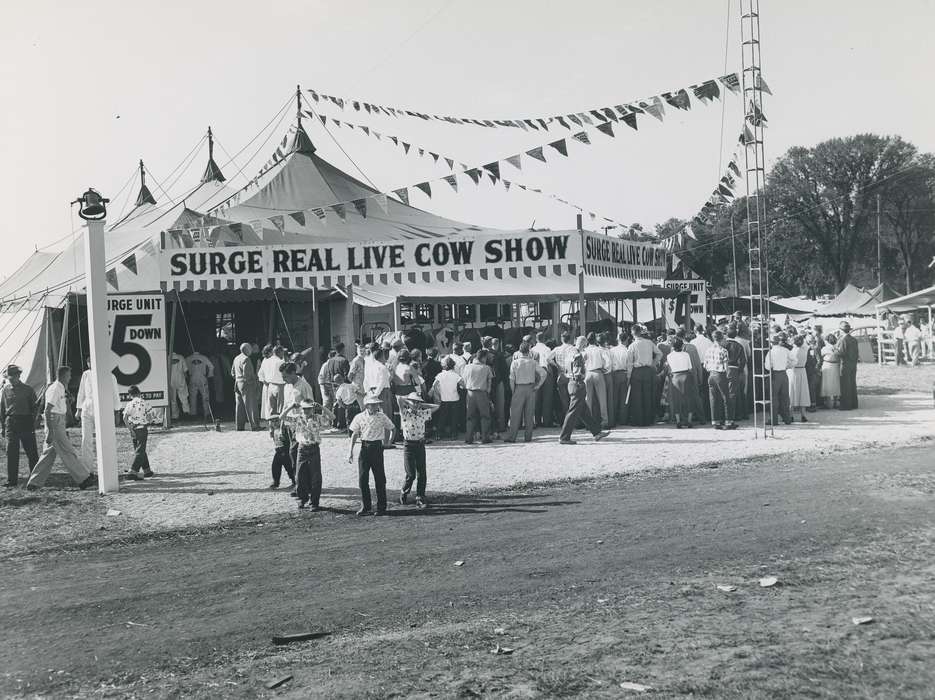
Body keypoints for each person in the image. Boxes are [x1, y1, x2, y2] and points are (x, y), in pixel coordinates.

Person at [26, 366, 95, 491]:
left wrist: (69, 399)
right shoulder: (55, 388)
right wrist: (50, 432)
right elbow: (47, 410)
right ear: (63, 375)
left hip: (58, 420)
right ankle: (83, 479)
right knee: (68, 451)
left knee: (48, 455)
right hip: (54, 421)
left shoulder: (60, 388)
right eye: (69, 375)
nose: (70, 377)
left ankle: (34, 483)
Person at [348, 395, 396, 516]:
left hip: (377, 448)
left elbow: (393, 429)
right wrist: (350, 451)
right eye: (373, 404)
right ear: (367, 405)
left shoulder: (382, 416)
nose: (375, 406)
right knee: (363, 479)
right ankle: (366, 506)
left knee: (380, 478)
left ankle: (381, 507)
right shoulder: (359, 417)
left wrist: (388, 443)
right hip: (364, 447)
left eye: (376, 404)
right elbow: (354, 434)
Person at [558, 336, 611, 445]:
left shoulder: (569, 354)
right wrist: (580, 381)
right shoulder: (578, 355)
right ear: (583, 344)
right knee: (572, 412)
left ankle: (596, 432)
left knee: (584, 412)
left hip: (571, 383)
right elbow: (577, 372)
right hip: (577, 384)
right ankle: (564, 436)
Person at [282, 398, 334, 510]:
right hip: (302, 448)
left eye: (309, 409)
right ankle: (302, 498)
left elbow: (332, 418)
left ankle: (314, 502)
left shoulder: (318, 418)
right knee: (300, 476)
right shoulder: (297, 419)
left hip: (314, 448)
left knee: (316, 477)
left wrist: (322, 408)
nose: (306, 411)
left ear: (312, 409)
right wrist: (291, 406)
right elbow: (282, 417)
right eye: (304, 409)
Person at [397, 391, 441, 508]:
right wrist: (410, 401)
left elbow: (437, 406)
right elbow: (399, 398)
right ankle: (404, 491)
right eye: (414, 402)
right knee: (410, 474)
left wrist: (421, 404)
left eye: (418, 402)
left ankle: (420, 496)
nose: (416, 404)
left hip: (420, 444)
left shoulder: (423, 413)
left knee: (422, 472)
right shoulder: (404, 413)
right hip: (408, 445)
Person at [74, 358, 121, 467]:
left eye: (91, 361)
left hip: (103, 408)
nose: (89, 364)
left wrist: (117, 411)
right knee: (86, 439)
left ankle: (106, 467)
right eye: (88, 362)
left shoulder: (109, 375)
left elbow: (115, 393)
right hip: (87, 407)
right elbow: (81, 392)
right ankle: (88, 469)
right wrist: (78, 409)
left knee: (104, 438)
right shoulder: (85, 374)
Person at [1, 364, 39, 487]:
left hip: (26, 422)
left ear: (18, 376)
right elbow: (2, 409)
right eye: (9, 376)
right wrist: (3, 426)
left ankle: (35, 479)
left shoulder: (28, 389)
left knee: (31, 452)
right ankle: (12, 481)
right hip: (10, 423)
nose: (11, 379)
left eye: (13, 376)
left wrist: (32, 421)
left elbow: (35, 407)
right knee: (11, 452)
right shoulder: (5, 390)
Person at [505, 342, 547, 443]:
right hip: (531, 388)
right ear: (529, 351)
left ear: (520, 351)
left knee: (515, 414)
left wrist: (513, 390)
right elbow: (544, 373)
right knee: (529, 414)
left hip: (519, 387)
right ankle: (528, 437)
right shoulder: (533, 362)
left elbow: (511, 379)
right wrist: (538, 385)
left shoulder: (515, 362)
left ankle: (512, 437)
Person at [626, 325, 661, 426]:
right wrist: (653, 364)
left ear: (632, 333)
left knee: (637, 397)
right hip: (648, 371)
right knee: (648, 395)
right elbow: (659, 354)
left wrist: (628, 377)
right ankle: (649, 419)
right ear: (641, 332)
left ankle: (639, 420)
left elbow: (629, 363)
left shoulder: (632, 346)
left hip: (637, 372)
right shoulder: (649, 342)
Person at [121, 384, 158, 480]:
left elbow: (124, 417)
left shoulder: (129, 404)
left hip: (133, 428)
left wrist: (130, 429)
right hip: (142, 428)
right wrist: (149, 421)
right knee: (140, 451)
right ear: (139, 393)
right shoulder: (145, 403)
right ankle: (132, 471)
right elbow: (150, 417)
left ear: (130, 395)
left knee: (139, 450)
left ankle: (147, 471)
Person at [703, 331, 735, 430]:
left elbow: (705, 365)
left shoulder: (708, 350)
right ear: (720, 339)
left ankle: (715, 421)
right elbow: (726, 366)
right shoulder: (723, 351)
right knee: (726, 398)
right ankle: (728, 421)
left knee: (713, 398)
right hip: (720, 375)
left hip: (711, 375)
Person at [462, 349, 493, 444]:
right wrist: (488, 392)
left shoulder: (467, 367)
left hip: (470, 392)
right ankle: (485, 437)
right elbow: (489, 382)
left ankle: (469, 438)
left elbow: (464, 380)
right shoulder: (486, 368)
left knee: (470, 416)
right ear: (483, 358)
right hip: (482, 393)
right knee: (485, 416)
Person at [666, 337, 696, 428]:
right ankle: (689, 421)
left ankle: (678, 421)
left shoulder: (669, 356)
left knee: (676, 399)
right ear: (682, 346)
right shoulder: (686, 354)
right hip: (686, 376)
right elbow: (690, 368)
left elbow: (669, 369)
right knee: (689, 399)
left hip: (675, 377)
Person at [764, 335, 794, 425]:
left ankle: (774, 419)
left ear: (771, 343)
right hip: (784, 374)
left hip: (775, 374)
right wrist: (787, 366)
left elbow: (768, 366)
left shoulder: (771, 352)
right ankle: (787, 418)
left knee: (774, 397)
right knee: (785, 397)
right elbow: (794, 360)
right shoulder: (785, 350)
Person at [581, 333, 609, 428]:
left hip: (588, 373)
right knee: (602, 398)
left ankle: (589, 423)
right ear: (596, 340)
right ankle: (604, 421)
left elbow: (581, 363)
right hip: (598, 372)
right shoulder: (599, 350)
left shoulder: (585, 351)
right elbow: (607, 361)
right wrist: (605, 369)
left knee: (588, 399)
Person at [431, 357, 463, 440]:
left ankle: (438, 434)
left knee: (442, 417)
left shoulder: (440, 375)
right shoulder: (456, 375)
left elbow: (434, 385)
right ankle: (454, 434)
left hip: (444, 399)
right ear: (453, 366)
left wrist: (438, 392)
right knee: (454, 418)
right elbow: (463, 384)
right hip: (455, 398)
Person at [232, 343, 260, 430]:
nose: (251, 350)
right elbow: (247, 375)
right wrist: (254, 382)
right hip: (247, 384)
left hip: (237, 383)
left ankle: (239, 426)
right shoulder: (246, 359)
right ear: (246, 350)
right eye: (250, 349)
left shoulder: (236, 358)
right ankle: (254, 425)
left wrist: (238, 379)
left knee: (239, 406)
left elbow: (232, 372)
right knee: (251, 405)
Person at [550, 332, 576, 422]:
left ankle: (566, 419)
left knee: (564, 400)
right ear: (570, 339)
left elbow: (548, 358)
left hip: (560, 375)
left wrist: (556, 365)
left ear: (561, 339)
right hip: (570, 375)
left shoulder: (557, 349)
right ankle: (573, 419)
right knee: (572, 399)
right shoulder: (572, 348)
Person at [267, 411, 295, 491]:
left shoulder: (284, 429)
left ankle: (294, 481)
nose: (274, 423)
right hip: (278, 450)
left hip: (285, 450)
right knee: (275, 466)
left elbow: (290, 440)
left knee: (289, 467)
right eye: (272, 421)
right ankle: (276, 482)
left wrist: (284, 439)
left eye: (276, 421)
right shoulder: (273, 430)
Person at [531, 332, 555, 428]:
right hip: (546, 371)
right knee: (547, 398)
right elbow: (549, 361)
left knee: (537, 398)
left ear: (536, 339)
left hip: (535, 372)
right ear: (544, 339)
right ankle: (547, 421)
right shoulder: (547, 349)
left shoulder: (532, 349)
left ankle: (537, 421)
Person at [836, 322, 859, 410]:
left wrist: (835, 350)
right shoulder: (853, 339)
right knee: (852, 383)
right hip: (853, 364)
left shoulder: (843, 340)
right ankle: (854, 403)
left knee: (845, 385)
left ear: (841, 330)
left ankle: (846, 405)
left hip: (845, 364)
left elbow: (841, 352)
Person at [608, 332, 630, 427]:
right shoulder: (628, 350)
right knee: (624, 398)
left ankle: (613, 419)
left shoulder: (612, 350)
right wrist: (629, 377)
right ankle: (623, 419)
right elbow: (629, 365)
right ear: (626, 340)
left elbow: (609, 363)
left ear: (618, 339)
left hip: (614, 374)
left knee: (614, 397)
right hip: (624, 374)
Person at [787, 335, 811, 422]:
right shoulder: (805, 349)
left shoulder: (793, 351)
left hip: (794, 372)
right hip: (802, 371)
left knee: (792, 392)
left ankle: (791, 415)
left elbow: (789, 363)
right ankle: (803, 415)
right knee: (802, 392)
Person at [257, 345, 284, 421]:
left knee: (270, 407)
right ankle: (278, 422)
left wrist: (265, 382)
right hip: (277, 385)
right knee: (279, 407)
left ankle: (271, 424)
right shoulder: (280, 361)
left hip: (269, 385)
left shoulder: (266, 360)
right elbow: (283, 375)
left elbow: (260, 374)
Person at [186, 348, 215, 418]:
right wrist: (209, 375)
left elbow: (183, 368)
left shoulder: (188, 358)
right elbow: (212, 367)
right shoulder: (203, 357)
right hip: (202, 378)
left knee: (192, 396)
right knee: (205, 396)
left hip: (192, 378)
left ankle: (193, 413)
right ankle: (207, 413)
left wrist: (186, 376)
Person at [820, 333, 841, 408]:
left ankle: (828, 403)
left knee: (827, 384)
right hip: (835, 365)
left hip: (827, 365)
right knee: (835, 383)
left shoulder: (825, 348)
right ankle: (835, 402)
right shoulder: (837, 348)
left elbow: (821, 355)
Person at [168, 351, 190, 420]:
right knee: (184, 397)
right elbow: (185, 370)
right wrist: (187, 379)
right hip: (181, 379)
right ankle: (186, 412)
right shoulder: (181, 357)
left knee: (173, 399)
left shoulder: (167, 357)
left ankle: (175, 415)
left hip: (171, 380)